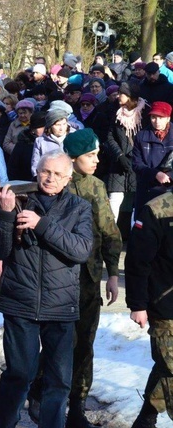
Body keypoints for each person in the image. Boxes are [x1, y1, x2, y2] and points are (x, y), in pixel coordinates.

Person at [0, 151, 93, 428]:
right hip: (20, 301)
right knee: (20, 373)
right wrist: (3, 214)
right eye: (45, 171)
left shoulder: (79, 207)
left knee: (58, 379)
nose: (50, 178)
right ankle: (6, 422)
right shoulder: (18, 200)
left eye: (58, 174)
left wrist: (41, 224)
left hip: (60, 305)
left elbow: (81, 250)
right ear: (36, 171)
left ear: (68, 178)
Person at [58, 129, 122, 427]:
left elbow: (110, 232)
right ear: (73, 158)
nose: (96, 160)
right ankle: (47, 397)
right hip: (59, 281)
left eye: (97, 154)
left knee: (85, 343)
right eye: (90, 155)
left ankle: (77, 406)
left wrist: (112, 274)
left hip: (89, 280)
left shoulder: (96, 186)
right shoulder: (57, 184)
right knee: (59, 342)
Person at [126, 185, 173, 428]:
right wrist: (138, 304)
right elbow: (137, 261)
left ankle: (145, 419)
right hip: (164, 306)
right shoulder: (156, 210)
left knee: (168, 367)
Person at [106, 82, 145, 221]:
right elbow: (110, 137)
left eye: (120, 94)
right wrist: (119, 155)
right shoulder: (117, 112)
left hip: (139, 162)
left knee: (138, 202)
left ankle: (135, 236)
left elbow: (146, 137)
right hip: (119, 162)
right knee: (114, 199)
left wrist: (135, 157)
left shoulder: (144, 113)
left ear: (129, 96)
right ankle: (111, 235)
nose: (117, 96)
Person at [132, 101, 173, 216]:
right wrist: (155, 174)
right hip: (147, 188)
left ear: (168, 118)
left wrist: (169, 176)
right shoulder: (141, 136)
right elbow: (136, 164)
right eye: (154, 117)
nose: (157, 121)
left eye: (161, 117)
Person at [31, 107, 70, 178]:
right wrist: (39, 178)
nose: (61, 128)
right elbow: (35, 163)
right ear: (50, 126)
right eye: (58, 125)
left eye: (64, 124)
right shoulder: (40, 141)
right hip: (47, 179)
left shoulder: (72, 137)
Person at [7, 111, 46, 181]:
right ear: (33, 129)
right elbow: (12, 169)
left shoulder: (50, 142)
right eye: (41, 127)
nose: (45, 130)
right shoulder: (23, 144)